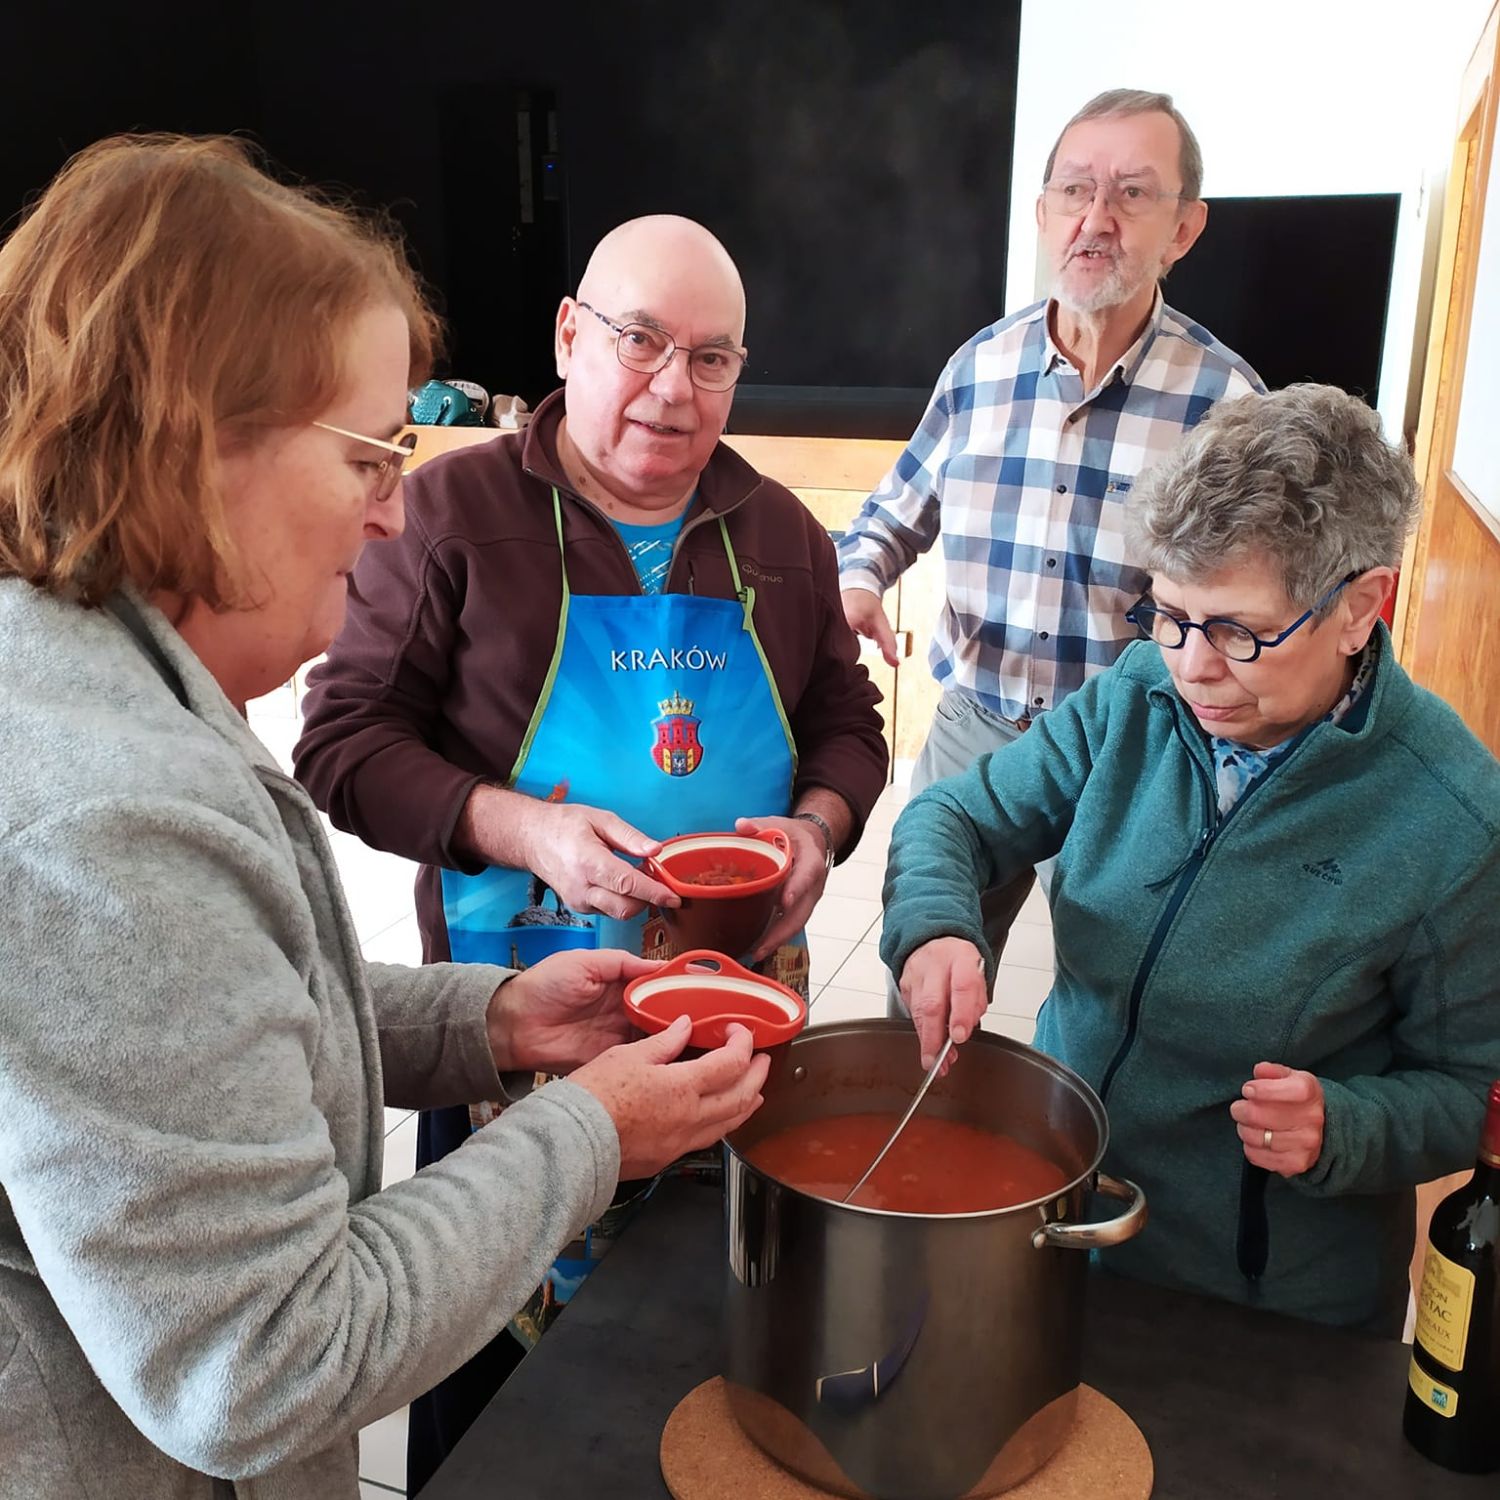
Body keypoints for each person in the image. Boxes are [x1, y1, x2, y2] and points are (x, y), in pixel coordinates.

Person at [0, 136, 768, 1499]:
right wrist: (591, 1131)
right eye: (368, 455)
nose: (390, 512)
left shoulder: (104, 691)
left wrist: (493, 1021)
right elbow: (265, 1361)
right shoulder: (108, 820)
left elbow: (225, 1024)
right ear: (189, 444)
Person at [293, 213, 888, 1488]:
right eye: (641, 341)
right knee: (500, 1389)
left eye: (713, 359)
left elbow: (850, 723)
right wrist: (523, 827)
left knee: (706, 1355)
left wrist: (821, 826)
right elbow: (342, 744)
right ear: (569, 336)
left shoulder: (783, 534)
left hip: (737, 1018)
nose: (674, 388)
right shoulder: (448, 515)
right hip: (516, 1020)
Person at [878, 383, 1500, 1333]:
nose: (1192, 666)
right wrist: (935, 926)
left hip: (1262, 1314)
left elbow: (1475, 1088)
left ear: (1361, 606)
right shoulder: (1139, 696)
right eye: (1167, 613)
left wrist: (1347, 1127)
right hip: (1060, 1212)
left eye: (1239, 633)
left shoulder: (1453, 820)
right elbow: (956, 817)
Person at [837, 88, 1264, 988]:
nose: (1095, 219)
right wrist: (860, 581)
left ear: (1183, 229)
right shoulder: (980, 368)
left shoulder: (1227, 405)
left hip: (1133, 751)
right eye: (1074, 189)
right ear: (1042, 213)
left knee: (1120, 1002)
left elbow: (1254, 608)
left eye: (1132, 193)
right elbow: (894, 510)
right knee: (926, 973)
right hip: (974, 729)